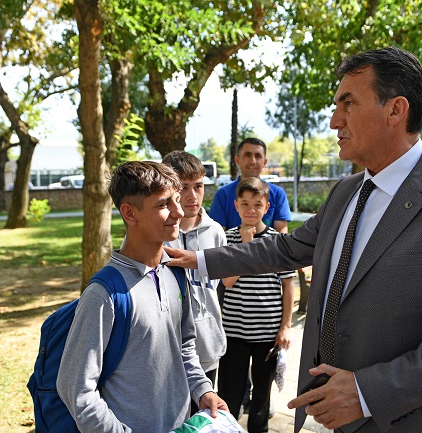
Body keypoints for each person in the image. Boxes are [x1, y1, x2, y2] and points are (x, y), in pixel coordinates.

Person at [165, 46, 422, 433]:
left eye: (348, 104)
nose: (334, 121)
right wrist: (200, 260)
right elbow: (286, 248)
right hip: (340, 419)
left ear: (395, 110)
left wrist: (366, 392)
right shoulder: (346, 193)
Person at [57, 161, 227, 433]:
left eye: (176, 200)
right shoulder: (104, 294)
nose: (178, 212)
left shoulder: (175, 272)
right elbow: (77, 389)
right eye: (163, 204)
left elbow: (184, 346)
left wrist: (202, 390)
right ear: (129, 213)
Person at [217, 177, 295, 432]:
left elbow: (288, 285)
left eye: (257, 204)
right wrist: (246, 247)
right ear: (236, 206)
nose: (251, 210)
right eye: (245, 204)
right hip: (234, 332)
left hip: (267, 333)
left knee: (262, 395)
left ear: (267, 207)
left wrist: (285, 327)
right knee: (229, 393)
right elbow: (227, 282)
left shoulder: (277, 242)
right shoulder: (227, 238)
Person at [162, 150, 228, 414]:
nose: (192, 196)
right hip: (167, 351)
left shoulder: (215, 232)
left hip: (207, 346)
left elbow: (216, 285)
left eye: (198, 186)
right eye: (183, 187)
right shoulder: (155, 233)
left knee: (204, 418)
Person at [209, 137, 292, 233]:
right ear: (237, 160)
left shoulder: (277, 194)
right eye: (247, 155)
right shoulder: (223, 194)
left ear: (264, 162)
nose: (253, 161)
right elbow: (218, 235)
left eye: (258, 156)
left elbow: (281, 235)